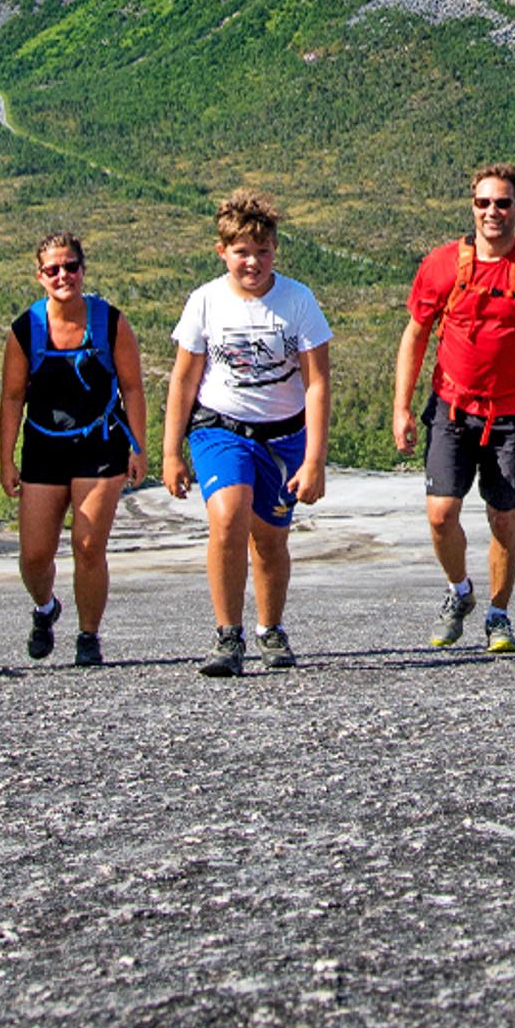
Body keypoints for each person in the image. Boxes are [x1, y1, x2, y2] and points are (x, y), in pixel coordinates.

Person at [391, 162, 515, 654]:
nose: (492, 212)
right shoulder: (440, 266)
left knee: (504, 518)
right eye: (483, 202)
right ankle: (460, 592)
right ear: (471, 205)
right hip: (452, 410)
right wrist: (402, 407)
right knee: (439, 514)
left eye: (502, 202)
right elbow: (415, 335)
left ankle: (499, 615)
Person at [162, 189, 332, 677]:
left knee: (271, 539)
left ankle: (270, 629)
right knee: (228, 518)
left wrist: (314, 459)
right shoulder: (205, 302)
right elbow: (183, 379)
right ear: (222, 252)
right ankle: (227, 635)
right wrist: (170, 451)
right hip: (220, 428)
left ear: (275, 250)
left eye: (262, 251)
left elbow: (317, 383)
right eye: (241, 252)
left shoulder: (298, 301)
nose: (252, 262)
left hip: (283, 437)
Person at [0, 230, 145, 667]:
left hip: (100, 446)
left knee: (87, 546)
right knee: (35, 555)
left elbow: (133, 388)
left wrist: (138, 447)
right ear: (40, 276)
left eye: (71, 267)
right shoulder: (26, 329)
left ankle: (88, 636)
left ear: (83, 269)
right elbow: (11, 397)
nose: (64, 275)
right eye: (53, 269)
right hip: (43, 448)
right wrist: (6, 458)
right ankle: (45, 608)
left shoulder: (110, 322)